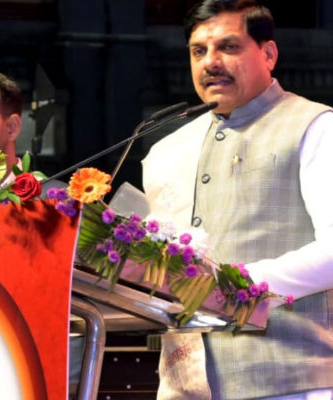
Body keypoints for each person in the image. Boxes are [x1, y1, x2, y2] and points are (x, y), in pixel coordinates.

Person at [142, 1, 333, 399]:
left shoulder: (316, 127)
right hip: (184, 382)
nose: (210, 62)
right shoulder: (166, 149)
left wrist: (233, 286)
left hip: (289, 378)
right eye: (199, 51)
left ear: (269, 53)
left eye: (228, 47)